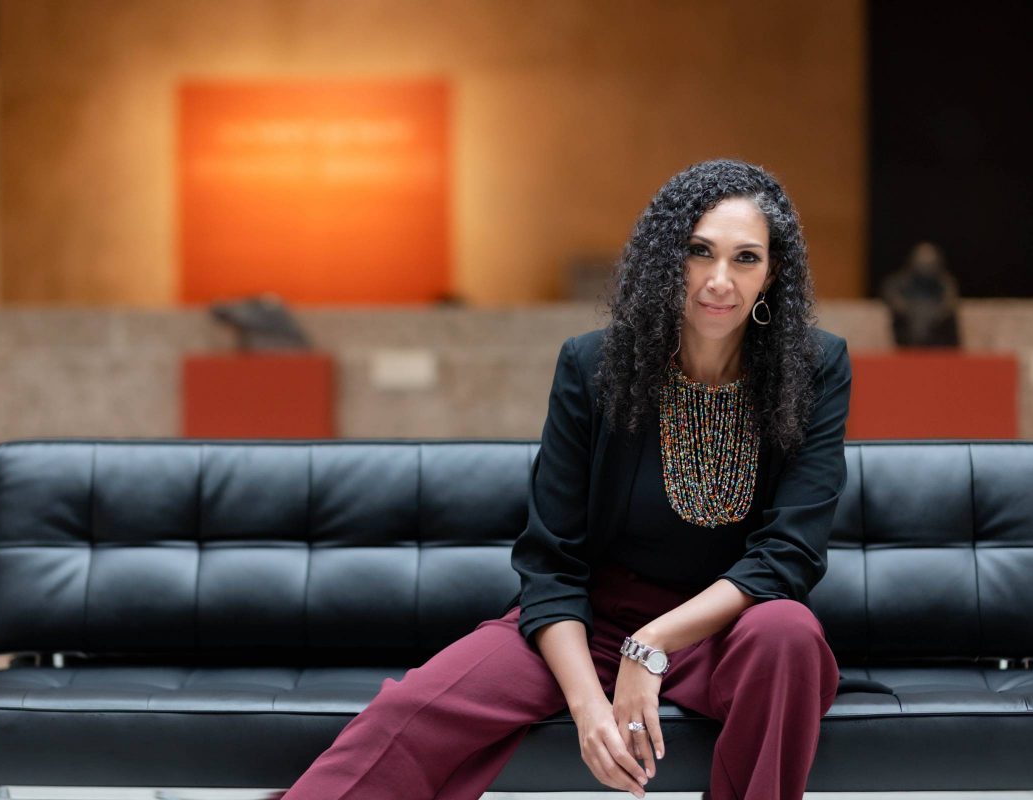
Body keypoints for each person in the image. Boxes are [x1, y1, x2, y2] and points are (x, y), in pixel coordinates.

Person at [281, 159, 850, 800]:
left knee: (788, 633)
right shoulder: (593, 364)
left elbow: (788, 556)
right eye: (699, 252)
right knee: (410, 714)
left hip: (726, 630)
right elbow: (551, 560)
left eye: (745, 258)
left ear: (772, 274)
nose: (720, 280)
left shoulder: (816, 367)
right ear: (668, 259)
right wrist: (587, 706)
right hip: (591, 623)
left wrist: (651, 646)